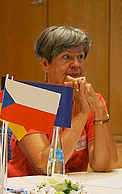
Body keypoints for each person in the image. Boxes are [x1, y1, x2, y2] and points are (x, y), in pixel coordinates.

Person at [8, 25, 117, 177]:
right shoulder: (23, 103)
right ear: (45, 63)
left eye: (80, 57)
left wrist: (99, 110)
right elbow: (48, 166)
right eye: (66, 57)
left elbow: (104, 164)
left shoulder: (94, 100)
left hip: (72, 192)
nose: (76, 65)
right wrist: (82, 114)